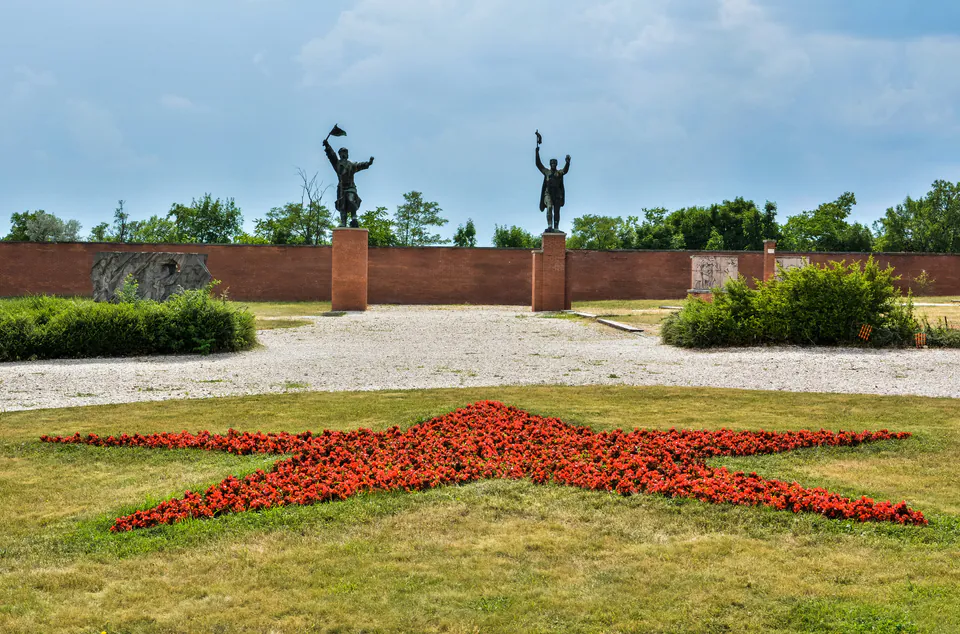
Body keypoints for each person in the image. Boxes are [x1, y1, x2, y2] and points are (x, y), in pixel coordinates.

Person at [323, 134, 374, 228]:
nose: (344, 154)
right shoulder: (337, 164)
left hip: (350, 187)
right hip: (341, 188)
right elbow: (331, 155)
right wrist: (327, 146)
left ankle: (354, 218)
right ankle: (343, 222)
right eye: (342, 152)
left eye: (345, 152)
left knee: (351, 200)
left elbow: (360, 165)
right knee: (342, 206)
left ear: (347, 154)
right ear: (340, 154)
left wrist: (368, 163)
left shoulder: (351, 165)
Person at [536, 143, 571, 233]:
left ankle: (556, 227)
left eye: (555, 163)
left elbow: (565, 170)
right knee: (549, 207)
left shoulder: (559, 173)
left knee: (557, 211)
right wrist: (537, 153)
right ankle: (549, 226)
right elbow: (538, 164)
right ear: (550, 164)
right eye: (552, 163)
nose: (553, 164)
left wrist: (567, 162)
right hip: (548, 194)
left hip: (557, 194)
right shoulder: (546, 172)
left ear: (556, 164)